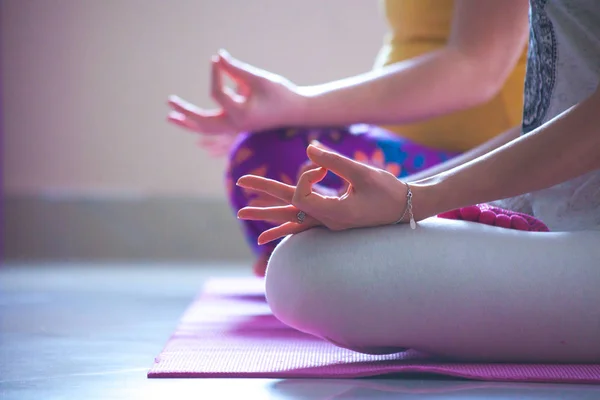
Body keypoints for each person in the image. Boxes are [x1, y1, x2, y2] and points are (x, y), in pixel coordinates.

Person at [233, 0, 600, 363]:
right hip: (551, 206)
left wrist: (419, 197)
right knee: (304, 259)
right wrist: (386, 195)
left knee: (307, 275)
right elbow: (543, 121)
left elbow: (476, 67)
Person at [167, 1, 532, 276]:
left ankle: (338, 264)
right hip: (400, 152)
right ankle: (320, 263)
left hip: (490, 160)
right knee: (266, 152)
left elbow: (477, 68)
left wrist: (299, 106)